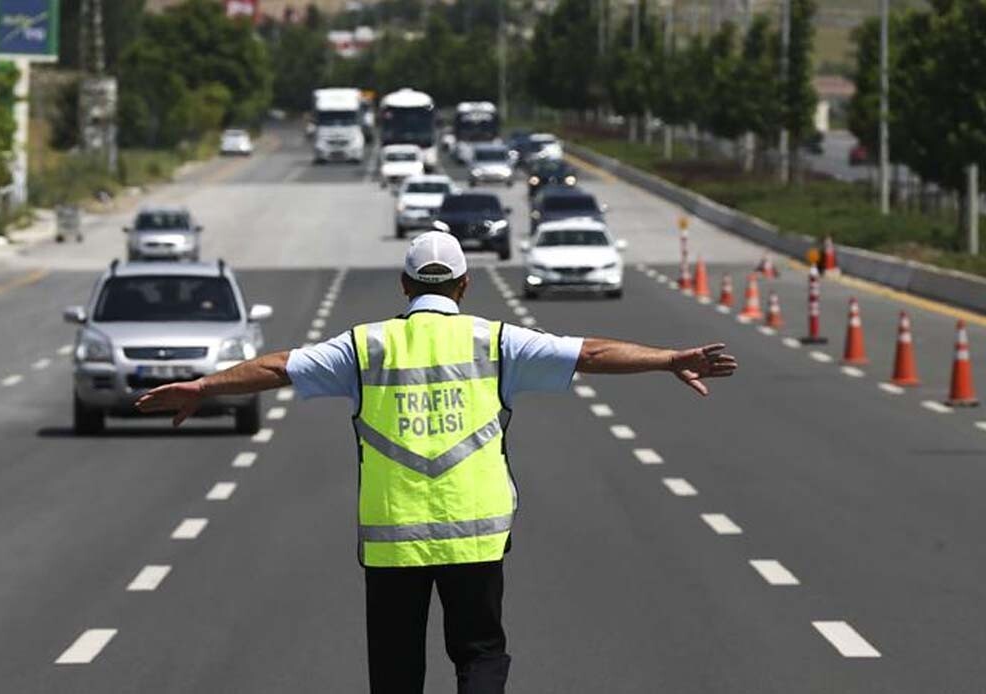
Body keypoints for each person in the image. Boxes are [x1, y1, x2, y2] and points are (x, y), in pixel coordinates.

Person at [136, 232, 738, 693]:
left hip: (393, 538)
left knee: (396, 668)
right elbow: (591, 352)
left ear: (403, 285)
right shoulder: (498, 341)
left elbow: (275, 367)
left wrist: (203, 386)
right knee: (479, 653)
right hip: (476, 532)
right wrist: (666, 358)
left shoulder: (364, 346)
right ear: (464, 285)